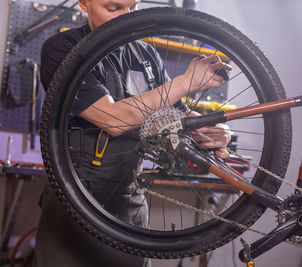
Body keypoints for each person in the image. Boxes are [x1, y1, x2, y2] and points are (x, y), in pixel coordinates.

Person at [34, 0, 231, 266]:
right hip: (73, 203)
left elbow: (177, 120)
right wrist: (184, 82)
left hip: (128, 203)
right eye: (113, 8)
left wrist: (209, 131)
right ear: (84, 3)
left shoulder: (146, 55)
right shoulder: (63, 49)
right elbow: (112, 118)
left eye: (132, 8)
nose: (126, 18)